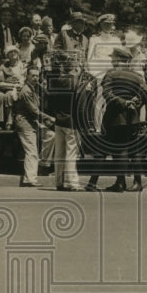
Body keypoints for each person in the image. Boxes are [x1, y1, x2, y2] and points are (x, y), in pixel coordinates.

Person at [100, 46, 147, 192]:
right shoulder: (137, 76)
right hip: (133, 117)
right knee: (134, 150)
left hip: (115, 117)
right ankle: (137, 182)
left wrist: (123, 103)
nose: (111, 60)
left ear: (118, 59)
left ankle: (121, 183)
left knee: (119, 150)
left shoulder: (111, 74)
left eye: (113, 58)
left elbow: (107, 94)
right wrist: (136, 103)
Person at [43, 52, 83, 191]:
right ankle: (72, 182)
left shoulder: (56, 80)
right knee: (71, 152)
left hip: (59, 119)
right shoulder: (75, 81)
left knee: (59, 152)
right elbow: (80, 102)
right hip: (72, 120)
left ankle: (59, 182)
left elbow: (51, 101)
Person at [14, 65, 54, 187]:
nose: (35, 78)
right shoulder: (26, 91)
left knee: (51, 135)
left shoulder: (36, 87)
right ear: (27, 77)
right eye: (33, 76)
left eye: (37, 76)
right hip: (25, 123)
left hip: (34, 122)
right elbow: (34, 110)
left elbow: (48, 95)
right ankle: (29, 179)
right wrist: (49, 118)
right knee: (31, 151)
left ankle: (43, 165)